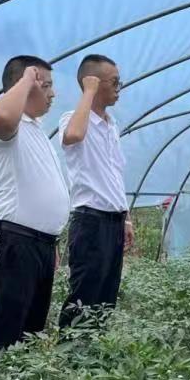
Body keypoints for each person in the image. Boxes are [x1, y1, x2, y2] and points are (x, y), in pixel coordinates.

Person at [0, 56, 69, 350]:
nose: (52, 94)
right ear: (23, 85)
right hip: (15, 244)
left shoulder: (36, 129)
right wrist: (28, 78)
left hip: (40, 246)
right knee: (6, 334)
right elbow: (2, 118)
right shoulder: (5, 126)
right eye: (46, 86)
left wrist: (50, 241)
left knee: (30, 333)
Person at [57, 54, 133, 328]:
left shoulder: (111, 126)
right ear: (93, 82)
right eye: (114, 82)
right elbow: (73, 136)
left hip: (113, 221)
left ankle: (94, 349)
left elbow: (115, 175)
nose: (119, 88)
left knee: (106, 298)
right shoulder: (73, 119)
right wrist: (88, 91)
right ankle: (70, 349)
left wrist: (126, 217)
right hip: (90, 221)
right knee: (84, 296)